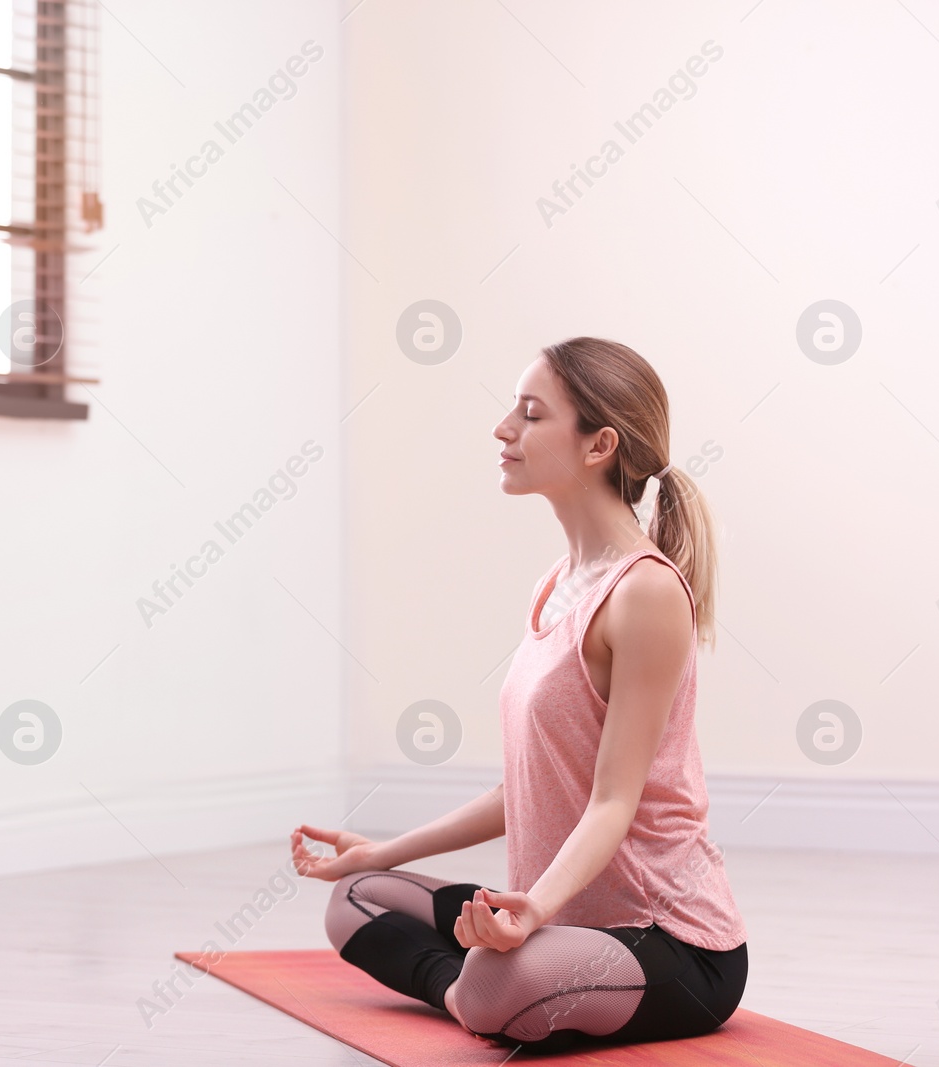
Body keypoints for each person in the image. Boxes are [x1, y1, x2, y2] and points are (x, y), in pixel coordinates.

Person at [291, 337, 747, 1052]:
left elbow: (611, 800)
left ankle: (480, 990)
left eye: (530, 414)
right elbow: (527, 789)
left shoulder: (647, 591)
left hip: (672, 941)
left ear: (599, 445)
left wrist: (532, 907)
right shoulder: (556, 584)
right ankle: (476, 987)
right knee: (356, 897)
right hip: (558, 923)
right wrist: (379, 850)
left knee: (500, 981)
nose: (504, 428)